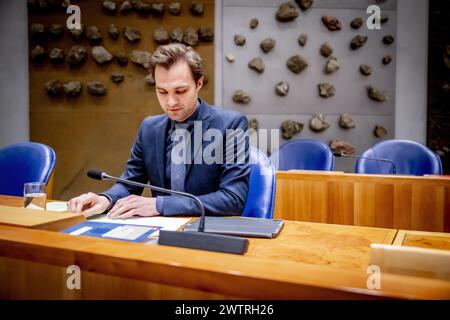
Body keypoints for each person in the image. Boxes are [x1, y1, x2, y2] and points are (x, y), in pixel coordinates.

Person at [68, 43, 250, 219]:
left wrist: (159, 205)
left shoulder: (231, 124)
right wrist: (105, 199)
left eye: (180, 91)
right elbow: (130, 182)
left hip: (208, 231)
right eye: (162, 91)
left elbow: (233, 199)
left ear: (199, 83)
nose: (171, 102)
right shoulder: (149, 128)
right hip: (160, 231)